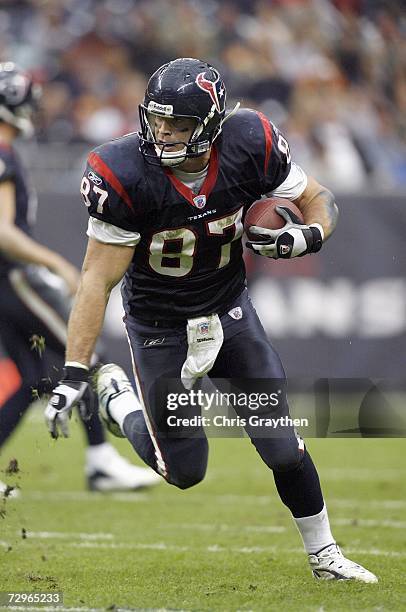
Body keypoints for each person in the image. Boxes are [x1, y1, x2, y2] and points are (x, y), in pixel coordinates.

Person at [45, 58, 377, 582]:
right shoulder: (124, 171)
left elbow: (317, 198)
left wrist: (307, 236)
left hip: (230, 312)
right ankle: (118, 398)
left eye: (176, 124)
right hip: (160, 330)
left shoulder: (250, 141)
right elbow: (96, 280)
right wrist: (74, 372)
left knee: (282, 446)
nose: (161, 133)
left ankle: (325, 557)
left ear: (211, 124)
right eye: (155, 120)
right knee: (185, 471)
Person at [0, 62, 160, 493]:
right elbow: (2, 230)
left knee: (35, 377)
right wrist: (53, 263)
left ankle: (100, 460)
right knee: (83, 354)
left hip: (4, 284)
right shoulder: (2, 150)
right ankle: (101, 459)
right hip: (12, 278)